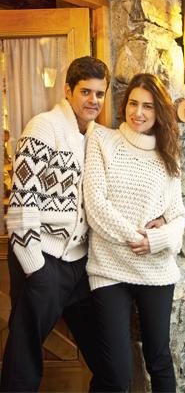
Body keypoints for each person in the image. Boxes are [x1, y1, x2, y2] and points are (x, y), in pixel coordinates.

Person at [1, 56, 109, 391]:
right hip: (44, 261)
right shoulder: (43, 127)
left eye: (100, 94)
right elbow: (22, 201)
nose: (93, 100)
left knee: (107, 360)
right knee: (24, 362)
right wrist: (37, 268)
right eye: (85, 92)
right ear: (68, 90)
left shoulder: (95, 137)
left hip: (79, 266)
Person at [83, 73, 185, 392]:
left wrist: (155, 240)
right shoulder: (101, 138)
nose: (138, 112)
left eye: (148, 106)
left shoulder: (168, 157)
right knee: (115, 370)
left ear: (159, 113)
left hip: (155, 269)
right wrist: (135, 237)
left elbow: (178, 219)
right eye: (133, 104)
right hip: (108, 268)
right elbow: (95, 203)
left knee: (159, 358)